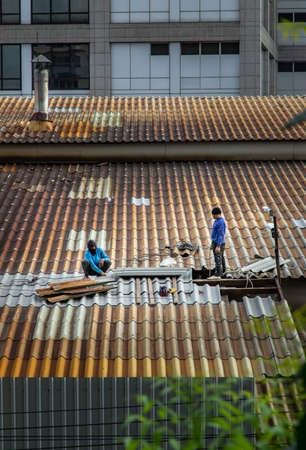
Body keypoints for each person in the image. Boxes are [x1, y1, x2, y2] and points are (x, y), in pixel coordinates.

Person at [210, 207, 226, 278]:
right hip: (215, 242)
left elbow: (220, 234)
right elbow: (215, 233)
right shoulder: (216, 221)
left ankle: (218, 274)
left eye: (213, 215)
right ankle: (223, 272)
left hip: (219, 243)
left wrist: (218, 246)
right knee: (220, 257)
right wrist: (212, 243)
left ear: (217, 214)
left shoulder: (221, 222)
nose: (213, 216)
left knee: (218, 259)